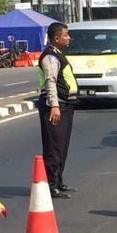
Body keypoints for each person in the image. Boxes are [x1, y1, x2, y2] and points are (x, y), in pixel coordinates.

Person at [38, 22, 78, 199]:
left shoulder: (58, 55)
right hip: (56, 106)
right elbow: (50, 81)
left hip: (66, 105)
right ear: (56, 38)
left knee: (63, 146)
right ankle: (51, 185)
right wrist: (54, 105)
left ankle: (58, 181)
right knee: (54, 146)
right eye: (66, 35)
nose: (68, 38)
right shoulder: (50, 57)